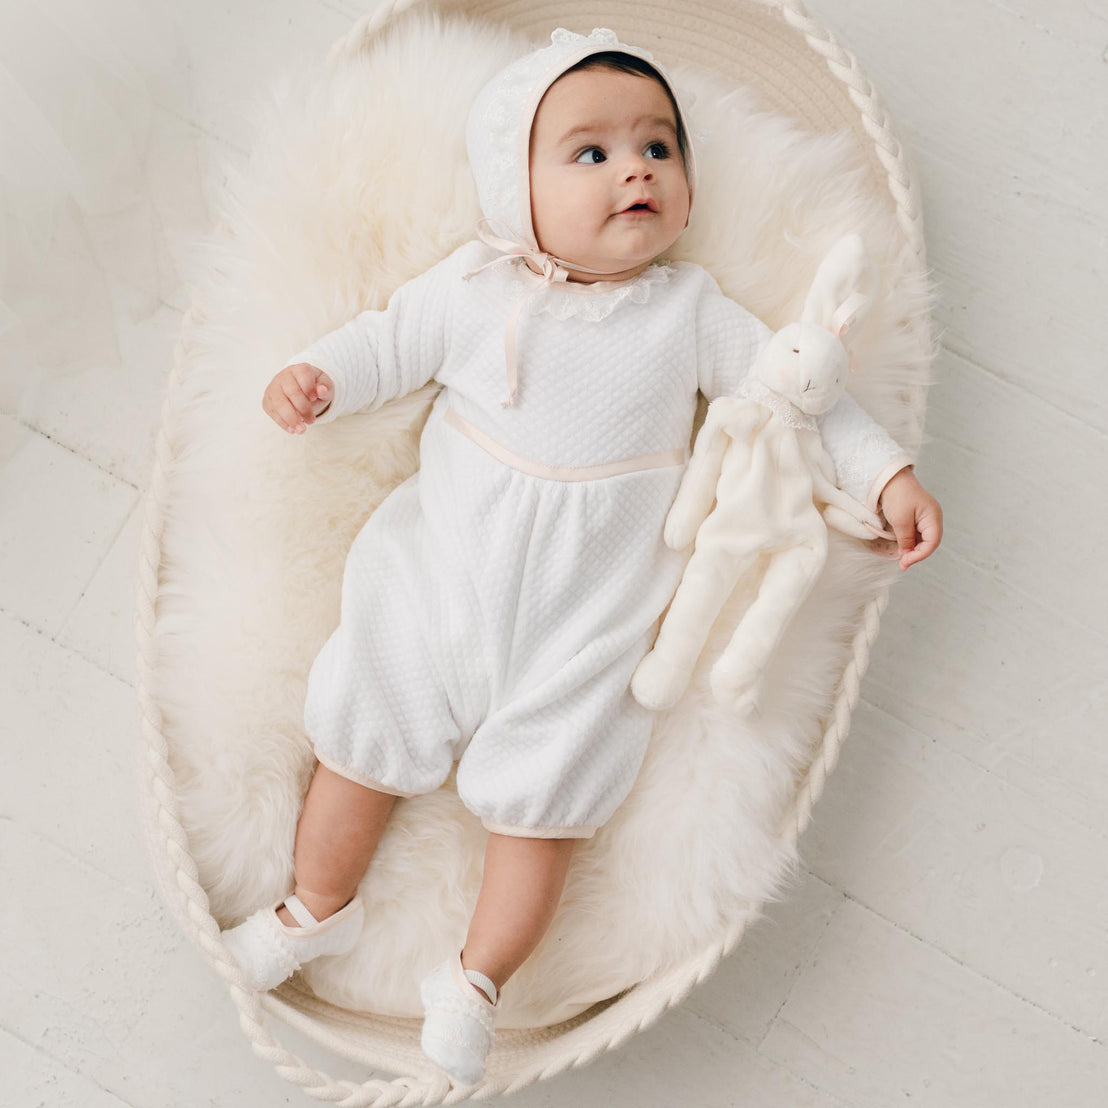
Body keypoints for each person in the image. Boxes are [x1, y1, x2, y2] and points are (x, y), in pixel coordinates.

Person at [225, 27, 944, 1086]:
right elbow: (385, 341)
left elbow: (804, 396)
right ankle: (316, 904)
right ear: (515, 188)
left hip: (585, 616)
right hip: (442, 579)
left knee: (548, 805)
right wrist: (318, 375)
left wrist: (883, 475)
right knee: (362, 734)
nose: (636, 169)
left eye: (659, 147)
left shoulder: (692, 313)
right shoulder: (471, 289)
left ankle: (475, 976)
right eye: (592, 153)